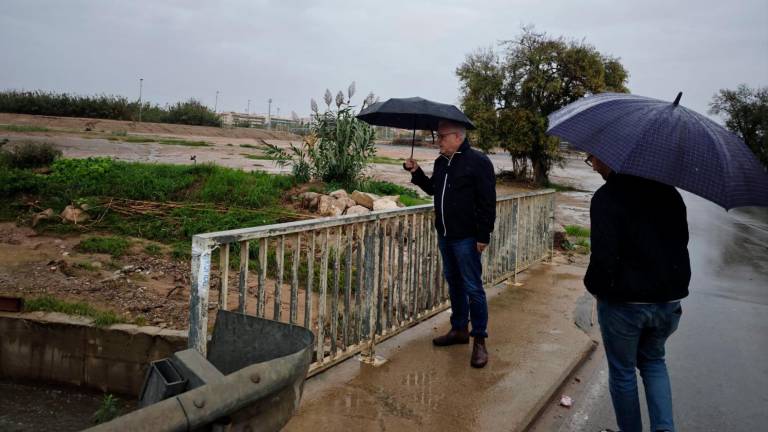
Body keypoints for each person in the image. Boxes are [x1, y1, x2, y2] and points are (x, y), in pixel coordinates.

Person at [585, 154, 690, 432]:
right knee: (654, 362)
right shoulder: (670, 194)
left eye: (594, 159)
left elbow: (603, 258)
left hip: (624, 304)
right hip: (668, 300)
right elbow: (681, 244)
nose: (593, 165)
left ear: (613, 157)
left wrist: (594, 287)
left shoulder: (607, 198)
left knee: (623, 372)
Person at [404, 120, 496, 368]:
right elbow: (433, 189)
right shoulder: (441, 162)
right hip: (445, 235)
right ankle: (458, 330)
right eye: (438, 136)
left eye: (442, 137)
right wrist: (416, 172)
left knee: (473, 288)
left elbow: (488, 201)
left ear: (457, 137)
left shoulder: (478, 162)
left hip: (467, 237)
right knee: (454, 283)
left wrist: (483, 236)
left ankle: (479, 340)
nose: (438, 141)